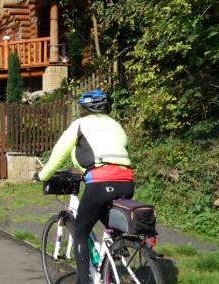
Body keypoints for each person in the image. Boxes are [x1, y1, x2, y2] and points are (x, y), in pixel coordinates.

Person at [34, 89, 134, 284]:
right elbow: (114, 154)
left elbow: (59, 153)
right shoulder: (117, 125)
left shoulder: (80, 124)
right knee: (111, 225)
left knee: (80, 231)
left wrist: (42, 175)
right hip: (127, 181)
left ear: (84, 107)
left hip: (100, 183)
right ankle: (115, 253)